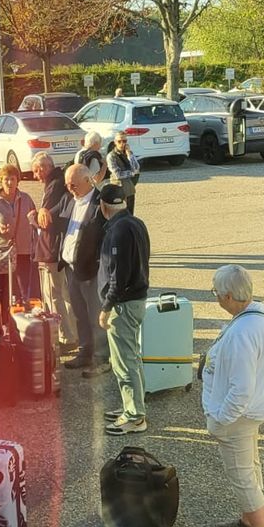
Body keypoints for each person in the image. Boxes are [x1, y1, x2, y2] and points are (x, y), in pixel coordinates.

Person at [201, 264, 264, 527]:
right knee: (252, 466)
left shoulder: (241, 335)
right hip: (257, 409)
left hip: (239, 417)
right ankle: (249, 521)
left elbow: (239, 391)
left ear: (230, 296)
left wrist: (219, 420)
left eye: (217, 294)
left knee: (242, 476)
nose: (217, 299)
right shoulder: (263, 313)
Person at [96, 183, 150, 435]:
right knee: (132, 357)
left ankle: (135, 416)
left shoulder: (117, 231)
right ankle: (132, 406)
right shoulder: (137, 223)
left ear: (104, 207)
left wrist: (107, 307)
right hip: (137, 301)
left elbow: (118, 275)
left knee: (123, 362)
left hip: (123, 306)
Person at [59, 164, 109, 377]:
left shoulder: (100, 204)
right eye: (68, 184)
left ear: (89, 181)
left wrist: (98, 266)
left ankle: (100, 358)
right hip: (71, 267)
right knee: (79, 314)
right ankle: (84, 353)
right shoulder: (73, 199)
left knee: (95, 315)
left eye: (74, 185)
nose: (70, 188)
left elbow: (105, 238)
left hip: (90, 270)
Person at [29, 153, 77, 349]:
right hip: (61, 247)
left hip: (52, 248)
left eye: (36, 171)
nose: (34, 176)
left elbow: (45, 221)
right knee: (64, 293)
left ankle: (64, 337)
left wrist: (32, 219)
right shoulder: (59, 182)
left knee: (53, 294)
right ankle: (72, 333)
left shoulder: (53, 186)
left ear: (44, 168)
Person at [0, 164, 36, 324]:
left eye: (12, 179)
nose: (9, 183)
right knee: (1, 289)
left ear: (17, 180)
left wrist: (36, 218)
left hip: (23, 249)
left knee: (22, 289)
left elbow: (34, 218)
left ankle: (21, 324)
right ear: (1, 181)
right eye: (6, 179)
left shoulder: (25, 198)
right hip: (2, 250)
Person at [105, 131, 141, 214]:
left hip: (129, 190)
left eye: (124, 141)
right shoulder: (111, 156)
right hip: (118, 190)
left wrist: (129, 155)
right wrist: (131, 173)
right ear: (115, 142)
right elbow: (118, 174)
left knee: (130, 215)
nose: (122, 144)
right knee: (119, 216)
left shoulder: (128, 153)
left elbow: (136, 168)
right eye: (119, 141)